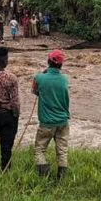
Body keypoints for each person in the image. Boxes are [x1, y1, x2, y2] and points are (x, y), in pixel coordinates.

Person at [32, 49, 70, 179]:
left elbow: (35, 91)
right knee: (62, 151)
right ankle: (61, 179)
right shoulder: (65, 79)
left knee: (40, 149)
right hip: (63, 121)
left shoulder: (39, 77)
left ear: (48, 61)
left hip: (47, 123)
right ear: (61, 64)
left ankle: (44, 175)